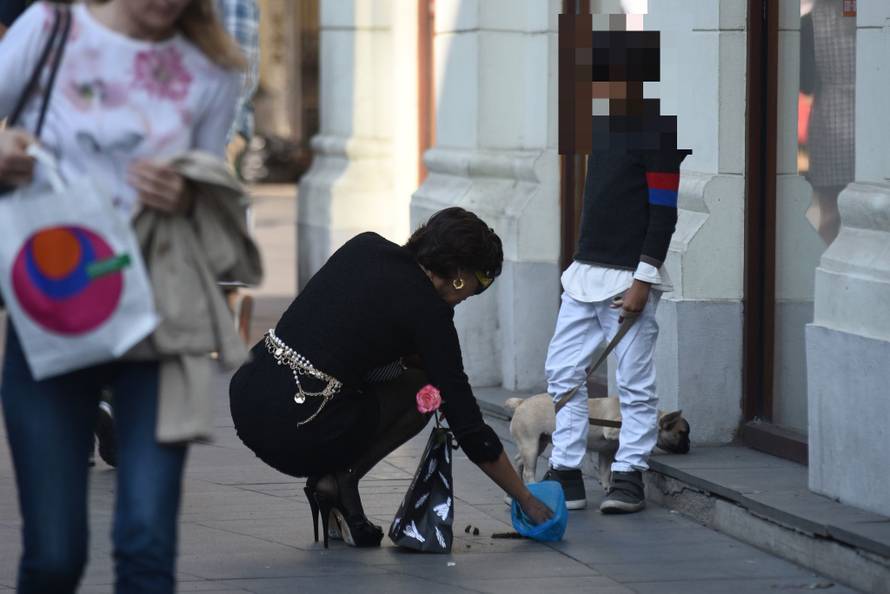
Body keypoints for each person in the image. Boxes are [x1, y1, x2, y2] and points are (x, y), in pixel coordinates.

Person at [0, 1, 243, 592]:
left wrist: (189, 194)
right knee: (54, 557)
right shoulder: (53, 26)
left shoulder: (212, 69)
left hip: (158, 322)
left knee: (147, 548)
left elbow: (218, 200)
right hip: (54, 315)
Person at [230, 207, 553, 548]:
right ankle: (342, 479)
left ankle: (339, 486)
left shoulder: (365, 246)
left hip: (249, 393)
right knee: (427, 391)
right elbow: (469, 427)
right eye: (481, 282)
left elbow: (351, 330)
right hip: (296, 428)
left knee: (415, 374)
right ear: (460, 274)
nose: (474, 293)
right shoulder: (430, 313)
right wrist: (526, 500)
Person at [545, 16, 690, 513]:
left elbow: (664, 214)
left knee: (633, 380)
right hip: (584, 273)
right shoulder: (600, 130)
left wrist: (643, 281)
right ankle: (565, 471)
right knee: (563, 372)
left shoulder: (659, 134)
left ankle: (630, 474)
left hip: (629, 280)